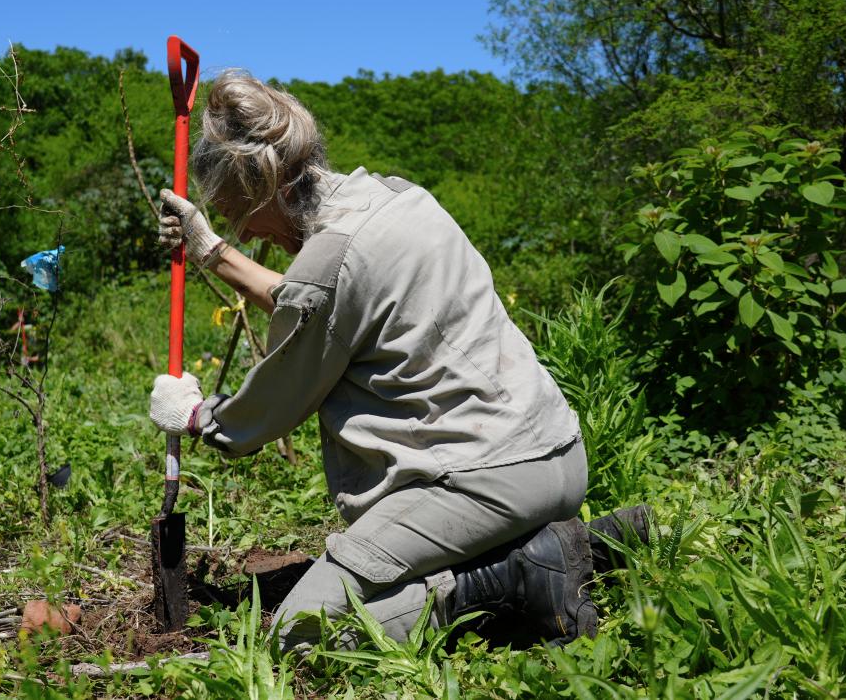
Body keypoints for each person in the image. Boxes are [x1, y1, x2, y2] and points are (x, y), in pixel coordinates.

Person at [149, 71, 648, 654]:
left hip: (481, 480)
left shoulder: (330, 261)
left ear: (266, 190)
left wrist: (196, 417)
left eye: (239, 215)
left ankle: (511, 581)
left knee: (299, 633)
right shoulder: (395, 198)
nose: (246, 233)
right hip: (556, 459)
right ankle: (583, 544)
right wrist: (213, 252)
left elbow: (272, 400)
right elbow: (323, 302)